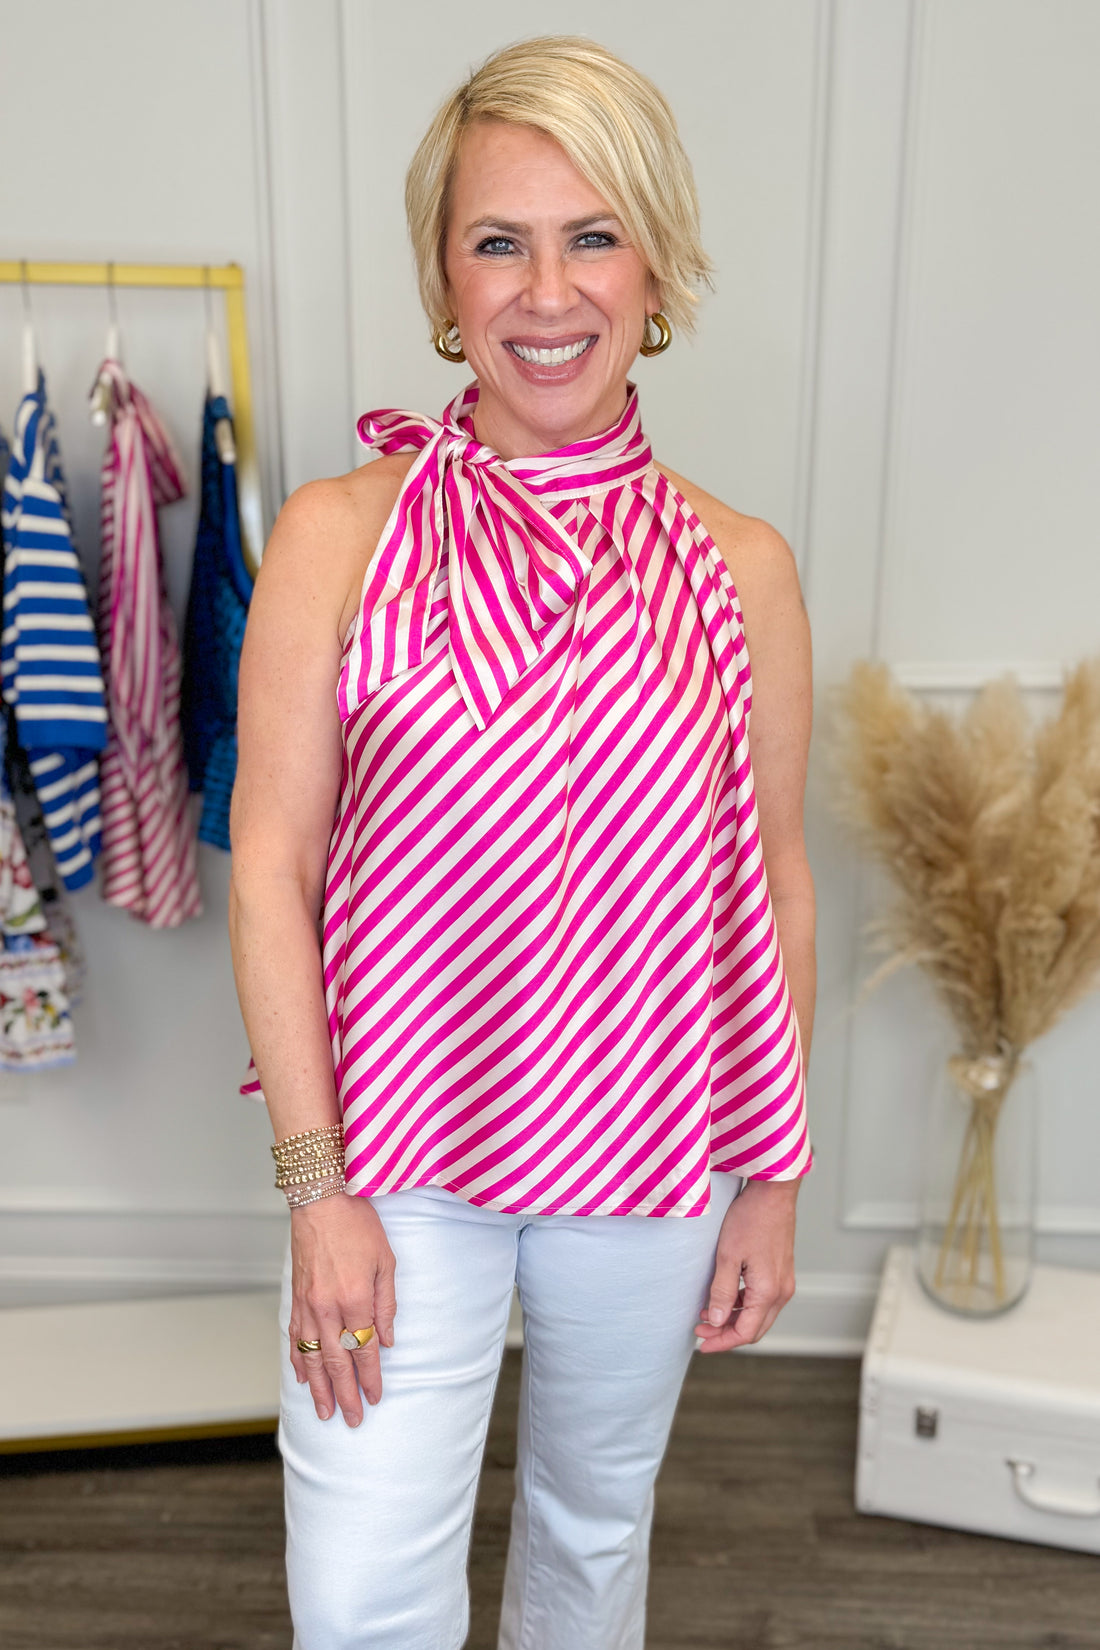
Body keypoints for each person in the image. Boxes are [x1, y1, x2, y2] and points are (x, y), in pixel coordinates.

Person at [228, 33, 816, 1650]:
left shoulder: (740, 567)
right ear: (443, 271)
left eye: (591, 234)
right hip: (395, 1150)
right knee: (360, 1595)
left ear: (656, 265)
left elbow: (770, 881)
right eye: (499, 239)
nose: (545, 291)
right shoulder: (335, 535)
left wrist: (768, 1175)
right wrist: (312, 1187)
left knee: (587, 1534)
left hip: (648, 1154)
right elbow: (269, 862)